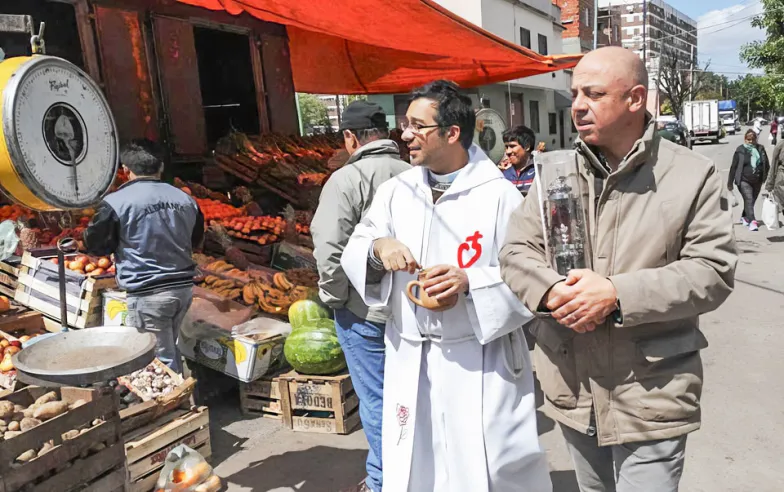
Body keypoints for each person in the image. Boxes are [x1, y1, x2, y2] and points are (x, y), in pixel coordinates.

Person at [500, 47, 737, 492]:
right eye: (574, 94)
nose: (578, 106)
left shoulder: (692, 176)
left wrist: (615, 294)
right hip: (573, 384)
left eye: (594, 93)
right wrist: (553, 291)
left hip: (650, 390)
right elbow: (516, 250)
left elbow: (712, 270)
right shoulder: (553, 175)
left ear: (635, 99)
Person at [341, 80, 551, 492]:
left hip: (479, 359)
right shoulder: (395, 192)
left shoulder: (501, 197)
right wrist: (378, 248)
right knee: (417, 468)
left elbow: (533, 274)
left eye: (418, 126)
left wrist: (470, 283)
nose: (405, 135)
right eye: (405, 124)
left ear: (452, 133)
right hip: (411, 356)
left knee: (485, 471)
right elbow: (360, 242)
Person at [311, 101, 410, 492]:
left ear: (350, 138)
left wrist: (336, 299)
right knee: (412, 396)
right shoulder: (415, 173)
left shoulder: (344, 180)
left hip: (364, 312)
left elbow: (329, 247)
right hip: (412, 307)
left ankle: (385, 481)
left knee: (378, 400)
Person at [85, 139, 204, 373]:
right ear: (160, 167)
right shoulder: (186, 200)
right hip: (183, 291)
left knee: (159, 360)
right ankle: (183, 398)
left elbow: (96, 245)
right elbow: (196, 240)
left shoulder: (115, 203)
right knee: (171, 349)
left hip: (149, 294)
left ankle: (176, 406)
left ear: (125, 170)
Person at [729, 129, 769, 231]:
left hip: (757, 180)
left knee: (751, 201)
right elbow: (733, 167)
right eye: (748, 139)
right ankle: (753, 221)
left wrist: (766, 177)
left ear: (756, 139)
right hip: (743, 180)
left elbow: (766, 164)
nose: (750, 141)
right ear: (745, 139)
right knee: (749, 199)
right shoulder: (740, 150)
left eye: (752, 139)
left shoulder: (761, 149)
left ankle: (744, 216)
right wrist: (730, 183)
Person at [501, 125, 537, 196]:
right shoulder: (505, 175)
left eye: (512, 146)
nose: (508, 151)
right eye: (506, 147)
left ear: (527, 146)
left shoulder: (538, 171)